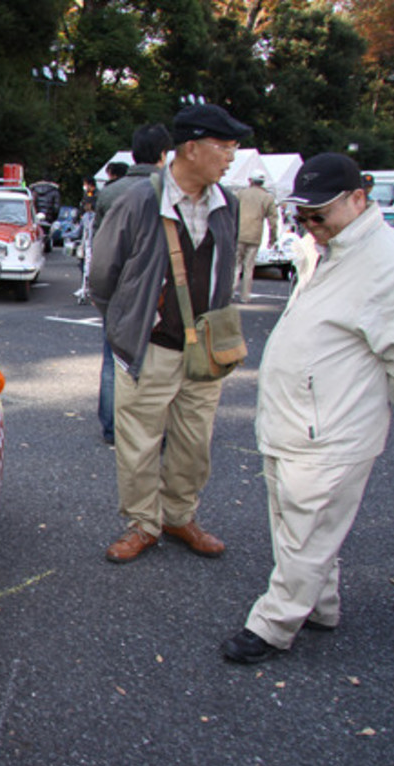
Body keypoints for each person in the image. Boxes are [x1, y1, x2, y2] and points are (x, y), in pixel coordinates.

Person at [221, 153, 394, 664]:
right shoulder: (329, 249)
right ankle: (321, 605)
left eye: (318, 214)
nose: (309, 224)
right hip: (298, 420)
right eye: (302, 215)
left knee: (305, 532)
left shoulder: (390, 263)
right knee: (298, 526)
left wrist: (364, 406)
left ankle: (272, 624)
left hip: (331, 428)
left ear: (358, 200)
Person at [89, 103, 252, 564]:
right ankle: (143, 523)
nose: (230, 158)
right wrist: (126, 325)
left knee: (194, 444)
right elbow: (102, 275)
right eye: (224, 147)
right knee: (139, 444)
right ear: (191, 148)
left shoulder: (228, 204)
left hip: (206, 349)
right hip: (151, 347)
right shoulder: (139, 201)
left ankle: (180, 516)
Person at [91, 124, 175, 445]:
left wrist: (104, 300)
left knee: (113, 359)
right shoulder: (170, 192)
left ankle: (111, 425)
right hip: (158, 290)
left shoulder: (112, 192)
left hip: (118, 288)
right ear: (164, 155)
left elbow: (100, 248)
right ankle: (154, 429)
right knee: (160, 363)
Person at [234, 171, 279, 303]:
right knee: (249, 267)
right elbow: (273, 221)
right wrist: (273, 238)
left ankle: (229, 291)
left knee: (236, 266)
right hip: (255, 235)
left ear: (250, 180)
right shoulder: (267, 197)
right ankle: (245, 296)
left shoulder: (240, 194)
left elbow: (231, 212)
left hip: (239, 233)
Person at [29, 176, 62, 253]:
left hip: (35, 217)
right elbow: (56, 207)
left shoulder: (33, 191)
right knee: (46, 234)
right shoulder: (54, 191)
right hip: (48, 218)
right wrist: (53, 218)